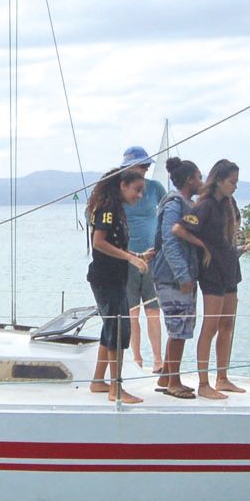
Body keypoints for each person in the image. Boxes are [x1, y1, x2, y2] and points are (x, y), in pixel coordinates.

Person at [86, 167, 150, 405]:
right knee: (119, 329)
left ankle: (98, 381)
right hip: (106, 278)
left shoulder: (115, 209)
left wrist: (138, 255)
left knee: (110, 327)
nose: (140, 195)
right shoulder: (108, 210)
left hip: (114, 276)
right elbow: (99, 243)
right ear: (123, 185)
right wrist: (130, 259)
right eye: (137, 189)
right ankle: (116, 388)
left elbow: (114, 246)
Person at [151, 158, 210, 399]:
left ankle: (167, 375)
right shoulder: (175, 203)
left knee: (183, 326)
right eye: (198, 177)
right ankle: (173, 382)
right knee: (178, 328)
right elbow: (169, 240)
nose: (201, 181)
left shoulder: (188, 203)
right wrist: (183, 275)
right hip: (171, 277)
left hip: (179, 275)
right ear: (189, 180)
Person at [184, 159, 244, 395]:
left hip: (230, 267)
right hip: (212, 272)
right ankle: (203, 383)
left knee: (227, 324)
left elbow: (235, 224)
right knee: (210, 325)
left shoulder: (229, 203)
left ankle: (223, 376)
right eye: (232, 182)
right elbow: (181, 229)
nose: (235, 186)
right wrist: (204, 248)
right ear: (219, 180)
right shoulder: (205, 205)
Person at [118, 145, 166, 369]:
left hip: (152, 256)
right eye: (142, 165)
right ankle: (136, 359)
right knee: (132, 312)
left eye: (147, 166)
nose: (146, 169)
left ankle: (158, 360)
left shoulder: (155, 188)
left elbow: (170, 210)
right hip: (127, 257)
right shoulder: (119, 190)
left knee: (154, 311)